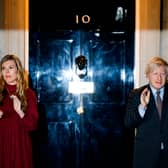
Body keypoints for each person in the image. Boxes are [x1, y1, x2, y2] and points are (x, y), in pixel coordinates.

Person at [124, 56, 168, 168]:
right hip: (146, 156)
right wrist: (142, 107)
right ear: (147, 75)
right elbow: (128, 123)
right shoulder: (137, 94)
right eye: (155, 73)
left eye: (163, 74)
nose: (159, 78)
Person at [0, 54, 39, 168]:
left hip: (19, 145)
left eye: (10, 68)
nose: (6, 71)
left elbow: (33, 125)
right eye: (3, 68)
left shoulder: (28, 94)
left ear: (18, 70)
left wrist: (20, 112)